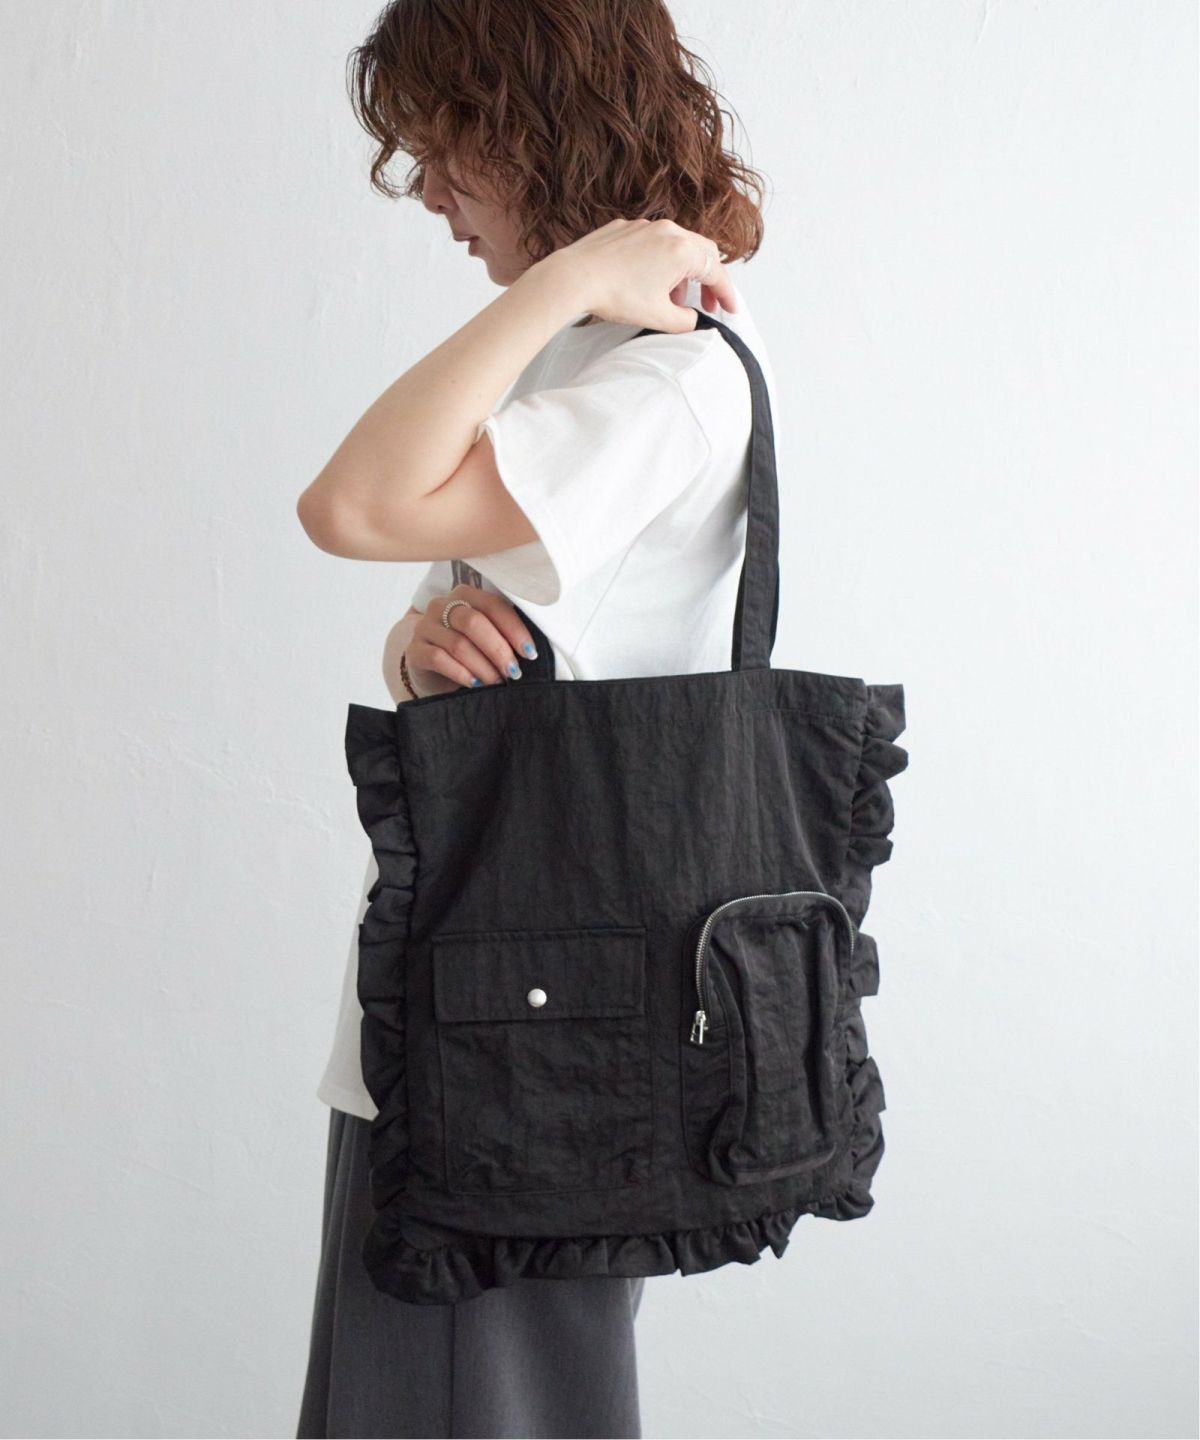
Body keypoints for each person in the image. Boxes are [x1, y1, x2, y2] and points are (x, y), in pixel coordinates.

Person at [294, 2, 775, 1434]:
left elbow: (348, 505)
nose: (428, 192)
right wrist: (416, 641)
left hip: (522, 1048)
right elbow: (471, 603)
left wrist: (565, 274)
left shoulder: (664, 380)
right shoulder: (590, 364)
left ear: (534, 127)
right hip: (483, 1018)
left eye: (447, 146)